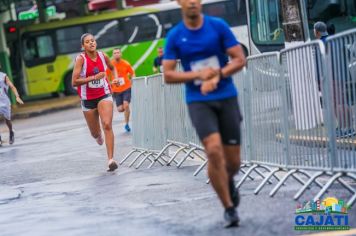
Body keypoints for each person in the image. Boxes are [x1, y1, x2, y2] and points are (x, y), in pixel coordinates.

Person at [163, 0, 246, 228]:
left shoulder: (217, 26)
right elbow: (168, 74)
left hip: (226, 96)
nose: (191, 2)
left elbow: (239, 58)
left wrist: (217, 74)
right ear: (180, 3)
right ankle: (229, 208)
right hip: (198, 100)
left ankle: (228, 180)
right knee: (213, 150)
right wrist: (198, 75)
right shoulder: (175, 36)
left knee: (233, 162)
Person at [72, 33, 118, 172]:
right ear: (83, 46)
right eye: (87, 42)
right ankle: (98, 136)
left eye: (93, 40)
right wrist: (93, 78)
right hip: (87, 99)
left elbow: (112, 67)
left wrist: (115, 78)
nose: (91, 43)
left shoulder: (103, 56)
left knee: (107, 124)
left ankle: (110, 160)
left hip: (104, 93)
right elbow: (74, 82)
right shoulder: (81, 59)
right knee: (95, 132)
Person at [108, 48, 135, 132]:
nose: (116, 54)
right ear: (113, 55)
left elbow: (132, 73)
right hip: (116, 90)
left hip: (126, 87)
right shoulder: (110, 65)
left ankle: (126, 124)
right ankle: (125, 110)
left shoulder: (125, 63)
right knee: (120, 109)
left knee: (126, 105)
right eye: (115, 53)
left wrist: (132, 81)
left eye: (118, 52)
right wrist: (110, 85)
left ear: (121, 54)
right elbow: (106, 76)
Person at [0, 64, 24, 146]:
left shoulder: (4, 76)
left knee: (7, 120)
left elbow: (12, 86)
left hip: (4, 102)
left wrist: (17, 96)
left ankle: (11, 131)